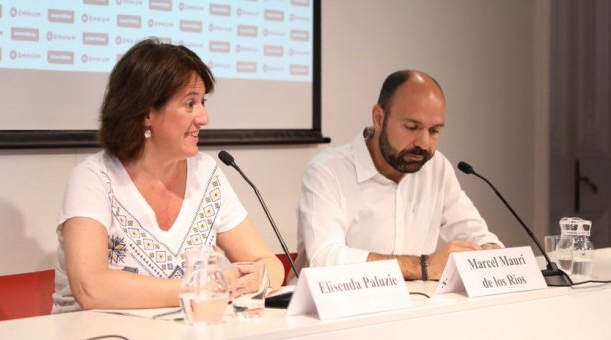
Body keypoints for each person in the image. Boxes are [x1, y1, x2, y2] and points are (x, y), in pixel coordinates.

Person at [52, 38, 283, 313]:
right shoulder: (94, 179)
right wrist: (201, 289)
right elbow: (91, 288)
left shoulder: (206, 172)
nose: (203, 118)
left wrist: (259, 278)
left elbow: (269, 263)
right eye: (190, 104)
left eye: (203, 102)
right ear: (147, 112)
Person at [293, 70, 502, 281]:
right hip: (332, 308)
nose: (424, 143)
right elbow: (326, 259)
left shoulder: (436, 167)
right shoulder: (327, 170)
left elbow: (474, 233)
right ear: (378, 118)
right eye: (412, 127)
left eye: (434, 131)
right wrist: (424, 266)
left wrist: (488, 250)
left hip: (416, 305)